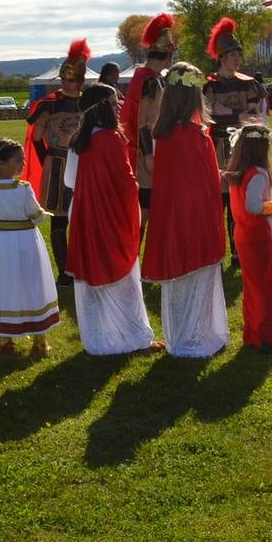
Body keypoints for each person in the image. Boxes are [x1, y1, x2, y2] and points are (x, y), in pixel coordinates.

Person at [65, 85, 162, 357]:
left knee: (96, 280)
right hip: (112, 215)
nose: (120, 103)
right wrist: (139, 204)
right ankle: (135, 337)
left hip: (87, 214)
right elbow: (125, 181)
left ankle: (98, 338)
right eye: (114, 99)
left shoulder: (80, 140)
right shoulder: (110, 138)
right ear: (102, 107)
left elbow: (70, 180)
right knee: (125, 278)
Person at [142, 62, 230, 358]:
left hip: (171, 214)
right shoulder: (194, 134)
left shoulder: (163, 133)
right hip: (196, 214)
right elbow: (206, 180)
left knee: (180, 278)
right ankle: (193, 337)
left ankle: (180, 336)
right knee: (197, 274)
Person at [0, 139, 59, 356]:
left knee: (6, 284)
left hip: (2, 243)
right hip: (26, 240)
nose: (22, 164)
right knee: (32, 282)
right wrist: (43, 213)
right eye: (18, 160)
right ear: (1, 163)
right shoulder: (23, 188)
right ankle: (39, 341)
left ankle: (6, 342)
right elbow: (37, 216)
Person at [25, 39, 89, 287]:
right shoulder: (51, 105)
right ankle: (64, 271)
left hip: (84, 166)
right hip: (59, 165)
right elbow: (38, 138)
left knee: (83, 218)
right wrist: (48, 161)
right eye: (64, 78)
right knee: (60, 219)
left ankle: (82, 265)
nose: (66, 83)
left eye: (71, 80)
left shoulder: (89, 102)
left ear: (80, 80)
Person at [202, 18, 264, 266]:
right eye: (232, 54)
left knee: (239, 200)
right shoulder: (209, 86)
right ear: (221, 57)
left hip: (242, 148)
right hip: (216, 148)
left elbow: (254, 116)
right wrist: (234, 115)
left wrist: (228, 113)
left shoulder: (249, 84)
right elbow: (207, 116)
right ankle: (215, 251)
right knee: (219, 203)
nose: (237, 59)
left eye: (238, 54)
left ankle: (238, 252)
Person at [226, 124, 272, 352]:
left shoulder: (238, 173)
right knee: (267, 284)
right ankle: (267, 336)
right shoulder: (257, 175)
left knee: (253, 286)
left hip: (243, 235)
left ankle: (253, 333)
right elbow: (253, 206)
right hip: (257, 236)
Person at [121, 13, 177, 239]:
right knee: (144, 207)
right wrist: (148, 155)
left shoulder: (147, 77)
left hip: (150, 149)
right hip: (146, 152)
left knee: (148, 206)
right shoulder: (150, 81)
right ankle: (133, 261)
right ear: (166, 53)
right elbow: (142, 121)